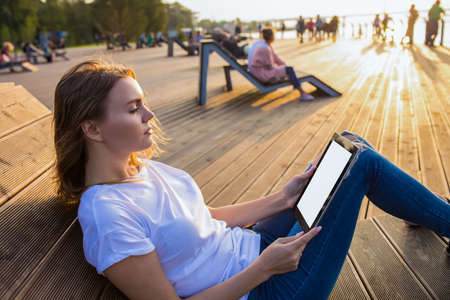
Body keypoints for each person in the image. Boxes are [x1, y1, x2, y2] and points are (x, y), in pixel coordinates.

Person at [53, 60, 450, 300]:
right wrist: (262, 269)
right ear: (92, 129)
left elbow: (206, 218)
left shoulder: (140, 168)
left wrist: (283, 197)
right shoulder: (107, 215)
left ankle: (428, 214)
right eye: (134, 108)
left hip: (257, 249)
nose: (150, 115)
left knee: (349, 146)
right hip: (265, 289)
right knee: (361, 165)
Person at [249, 27, 314, 101]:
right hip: (262, 74)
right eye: (274, 35)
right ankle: (302, 93)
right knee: (289, 70)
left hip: (262, 71)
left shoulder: (266, 45)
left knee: (288, 69)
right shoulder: (265, 49)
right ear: (271, 37)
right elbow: (270, 66)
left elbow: (275, 58)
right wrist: (284, 68)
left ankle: (294, 83)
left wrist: (284, 65)